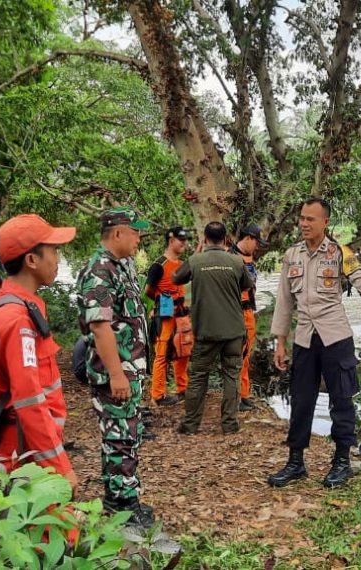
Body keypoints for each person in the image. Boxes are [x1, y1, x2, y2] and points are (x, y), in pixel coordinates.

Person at [268, 197, 361, 489]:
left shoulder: (339, 253)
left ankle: (342, 461)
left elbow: (360, 278)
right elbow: (284, 302)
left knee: (342, 399)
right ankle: (296, 462)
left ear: (325, 222)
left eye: (311, 219)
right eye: (302, 218)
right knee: (301, 400)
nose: (304, 224)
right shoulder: (292, 255)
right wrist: (280, 343)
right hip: (305, 338)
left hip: (336, 337)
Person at [0, 214, 79, 491]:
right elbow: (29, 400)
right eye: (54, 250)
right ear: (31, 260)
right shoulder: (17, 320)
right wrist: (60, 467)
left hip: (30, 447)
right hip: (25, 453)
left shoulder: (17, 305)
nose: (58, 260)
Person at [76, 206, 155, 528]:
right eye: (135, 232)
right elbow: (100, 327)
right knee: (120, 437)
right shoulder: (100, 269)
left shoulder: (121, 266)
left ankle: (120, 494)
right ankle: (122, 504)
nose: (139, 238)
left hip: (128, 369)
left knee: (126, 434)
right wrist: (116, 374)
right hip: (115, 373)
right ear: (118, 232)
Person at [172, 222, 253, 436]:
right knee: (232, 376)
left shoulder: (196, 261)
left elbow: (176, 278)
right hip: (234, 330)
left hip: (206, 331)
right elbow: (248, 284)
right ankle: (230, 424)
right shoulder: (236, 261)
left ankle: (190, 425)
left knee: (198, 376)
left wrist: (197, 254)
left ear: (205, 239)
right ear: (226, 239)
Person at [144, 226, 191, 406]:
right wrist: (160, 302)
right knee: (162, 353)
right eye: (181, 240)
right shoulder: (158, 265)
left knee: (183, 349)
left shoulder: (181, 265)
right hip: (165, 314)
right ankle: (158, 394)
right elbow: (148, 290)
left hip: (181, 313)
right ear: (171, 241)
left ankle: (182, 389)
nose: (184, 244)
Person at [230, 224, 267, 412]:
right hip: (237, 313)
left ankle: (244, 395)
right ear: (248, 238)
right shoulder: (231, 258)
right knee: (237, 356)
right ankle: (236, 397)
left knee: (246, 356)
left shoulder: (249, 258)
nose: (258, 247)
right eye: (256, 242)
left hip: (249, 312)